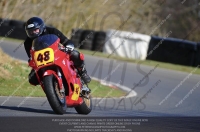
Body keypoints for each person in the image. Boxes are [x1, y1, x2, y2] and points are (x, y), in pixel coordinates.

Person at [23, 17, 91, 85]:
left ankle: (82, 72)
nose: (33, 33)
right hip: (42, 62)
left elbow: (65, 40)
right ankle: (48, 84)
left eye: (36, 30)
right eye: (31, 31)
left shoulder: (52, 31)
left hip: (57, 53)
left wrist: (68, 45)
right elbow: (31, 56)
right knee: (32, 79)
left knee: (75, 54)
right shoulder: (27, 42)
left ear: (41, 27)